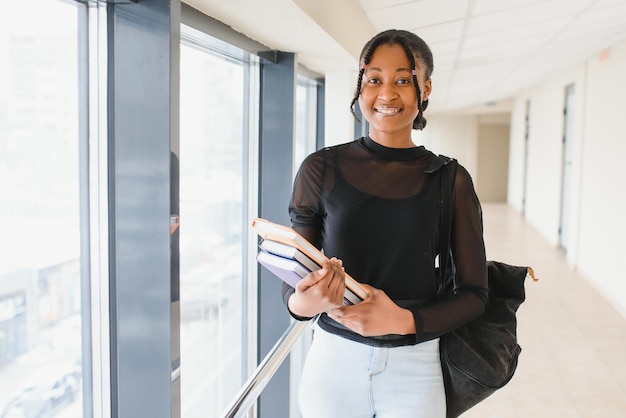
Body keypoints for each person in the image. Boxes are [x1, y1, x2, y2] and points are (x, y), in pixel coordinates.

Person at [282, 29, 488, 418]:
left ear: (425, 89)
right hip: (333, 366)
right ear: (360, 87)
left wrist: (403, 319)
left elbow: (475, 294)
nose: (387, 94)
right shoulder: (320, 169)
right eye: (374, 79)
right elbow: (292, 288)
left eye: (403, 80)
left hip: (416, 366)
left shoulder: (450, 179)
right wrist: (305, 301)